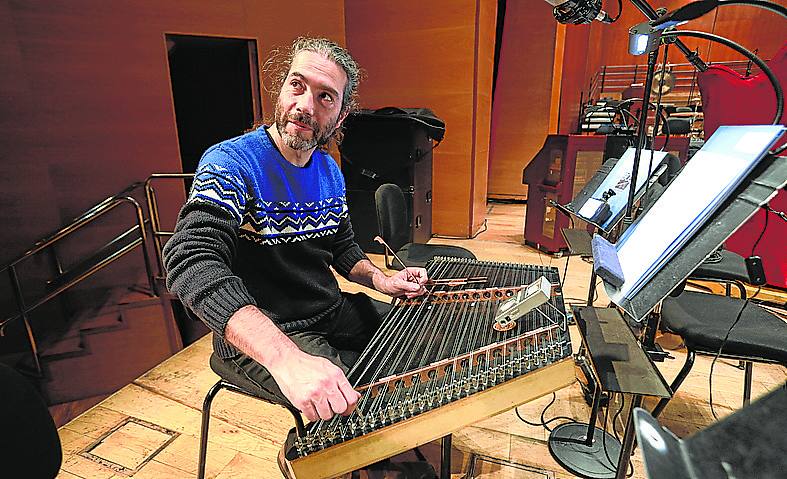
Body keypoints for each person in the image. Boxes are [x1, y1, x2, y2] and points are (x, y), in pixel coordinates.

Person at [163, 37, 428, 427]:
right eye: (297, 85)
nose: (305, 106)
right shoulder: (233, 162)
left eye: (325, 97)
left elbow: (343, 249)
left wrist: (382, 281)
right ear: (282, 87)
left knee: (423, 340)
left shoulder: (329, 172)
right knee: (350, 406)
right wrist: (286, 359)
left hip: (329, 311)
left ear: (339, 118)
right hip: (265, 332)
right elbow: (190, 259)